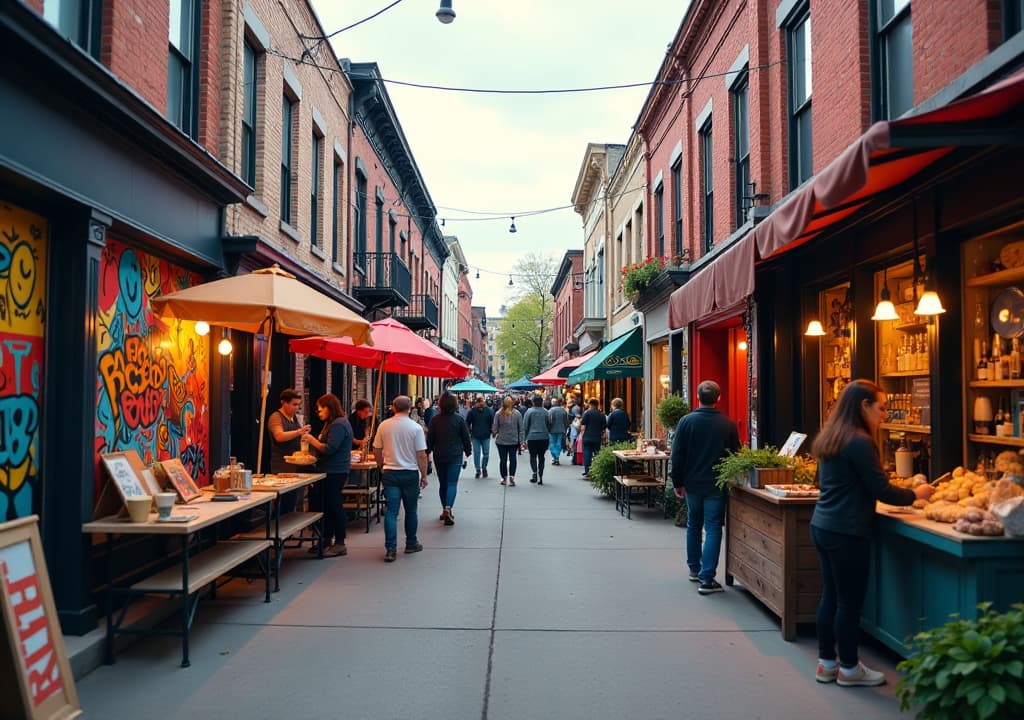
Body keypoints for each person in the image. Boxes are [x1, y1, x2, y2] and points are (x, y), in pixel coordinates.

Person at [809, 379, 934, 687]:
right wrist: (917, 494)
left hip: (823, 525)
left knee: (830, 597)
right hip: (847, 530)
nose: (885, 414)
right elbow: (881, 489)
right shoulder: (860, 441)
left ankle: (827, 664)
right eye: (881, 407)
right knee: (849, 603)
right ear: (863, 406)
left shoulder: (831, 437)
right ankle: (850, 669)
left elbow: (822, 484)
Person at [670, 380, 740, 595]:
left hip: (692, 483)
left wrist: (677, 482)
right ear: (718, 398)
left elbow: (677, 454)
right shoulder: (727, 424)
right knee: (712, 528)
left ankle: (694, 569)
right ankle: (707, 578)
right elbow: (735, 456)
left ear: (697, 397)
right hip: (716, 485)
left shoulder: (686, 422)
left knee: (693, 524)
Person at [373, 396, 429, 563]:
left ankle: (390, 549)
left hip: (390, 472)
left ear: (393, 408)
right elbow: (421, 455)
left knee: (391, 512)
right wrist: (424, 475)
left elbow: (376, 449)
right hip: (410, 473)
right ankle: (411, 542)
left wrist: (381, 466)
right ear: (410, 408)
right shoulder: (416, 428)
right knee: (411, 510)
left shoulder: (384, 425)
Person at [301, 394, 352, 557]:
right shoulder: (332, 423)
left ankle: (340, 542)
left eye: (321, 408)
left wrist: (312, 440)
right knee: (327, 505)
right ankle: (326, 539)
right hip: (330, 469)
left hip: (334, 471)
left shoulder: (338, 424)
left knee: (334, 505)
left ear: (329, 407)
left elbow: (329, 448)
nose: (318, 411)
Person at [426, 393, 471, 525]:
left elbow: (430, 438)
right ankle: (448, 508)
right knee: (452, 483)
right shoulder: (459, 419)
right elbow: (465, 436)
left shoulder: (435, 419)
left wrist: (428, 450)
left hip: (439, 454)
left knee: (443, 484)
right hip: (455, 455)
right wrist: (468, 450)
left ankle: (445, 509)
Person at [266, 388, 312, 513]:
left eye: (298, 405)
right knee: (285, 501)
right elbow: (279, 436)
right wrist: (299, 432)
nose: (297, 408)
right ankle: (280, 527)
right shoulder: (276, 417)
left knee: (296, 500)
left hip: (296, 465)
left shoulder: (294, 418)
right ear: (283, 403)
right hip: (282, 466)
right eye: (294, 404)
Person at [492, 396, 523, 486]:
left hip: (501, 441)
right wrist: (521, 441)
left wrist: (495, 433)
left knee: (503, 460)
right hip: (513, 441)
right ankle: (512, 476)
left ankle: (504, 478)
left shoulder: (498, 414)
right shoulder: (517, 414)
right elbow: (521, 428)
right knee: (513, 459)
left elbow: (494, 428)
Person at [523, 395, 552, 484]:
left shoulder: (529, 411)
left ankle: (535, 473)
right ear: (541, 402)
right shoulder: (546, 412)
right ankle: (541, 475)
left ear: (533, 402)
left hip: (532, 437)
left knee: (533, 456)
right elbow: (550, 425)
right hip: (544, 437)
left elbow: (525, 426)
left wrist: (524, 438)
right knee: (541, 457)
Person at [466, 395, 495, 478]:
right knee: (478, 453)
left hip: (485, 435)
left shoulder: (488, 411)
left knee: (485, 453)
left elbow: (492, 422)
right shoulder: (472, 411)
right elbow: (467, 423)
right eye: (479, 402)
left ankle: (483, 467)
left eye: (481, 402)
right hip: (476, 436)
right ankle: (478, 469)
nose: (480, 404)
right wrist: (469, 432)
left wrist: (492, 431)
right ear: (477, 403)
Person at [580, 398, 607, 477]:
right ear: (597, 405)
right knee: (597, 454)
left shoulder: (587, 413)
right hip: (597, 437)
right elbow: (604, 427)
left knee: (587, 454)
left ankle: (587, 471)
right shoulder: (601, 415)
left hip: (587, 437)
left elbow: (583, 426)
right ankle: (597, 470)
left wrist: (582, 434)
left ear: (590, 404)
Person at [547, 397, 569, 465]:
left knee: (552, 443)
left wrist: (548, 428)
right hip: (561, 430)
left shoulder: (551, 410)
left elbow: (548, 421)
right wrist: (565, 429)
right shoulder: (563, 411)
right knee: (558, 443)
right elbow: (566, 422)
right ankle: (556, 457)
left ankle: (555, 457)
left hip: (552, 430)